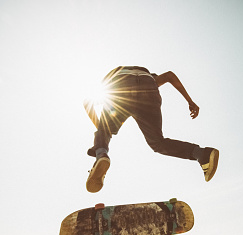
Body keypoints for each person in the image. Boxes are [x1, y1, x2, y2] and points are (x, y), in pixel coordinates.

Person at [84, 66, 219, 193]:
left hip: (120, 87)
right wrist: (190, 101)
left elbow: (87, 103)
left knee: (104, 130)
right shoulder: (149, 77)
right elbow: (169, 75)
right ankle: (202, 154)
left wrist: (102, 135)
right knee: (158, 143)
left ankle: (101, 155)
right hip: (149, 88)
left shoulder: (112, 78)